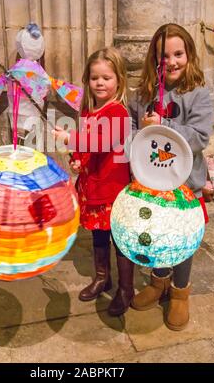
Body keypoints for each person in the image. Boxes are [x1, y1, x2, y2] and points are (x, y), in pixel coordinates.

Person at [129, 23, 214, 330]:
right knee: (157, 236)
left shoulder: (199, 94)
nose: (173, 61)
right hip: (151, 182)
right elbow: (132, 133)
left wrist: (164, 125)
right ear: (155, 59)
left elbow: (200, 137)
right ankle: (158, 281)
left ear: (189, 54)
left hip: (184, 182)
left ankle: (180, 293)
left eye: (179, 54)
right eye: (165, 56)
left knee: (181, 239)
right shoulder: (142, 95)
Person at [53, 47, 134, 316]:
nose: (99, 83)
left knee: (120, 240)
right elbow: (87, 149)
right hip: (92, 186)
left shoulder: (118, 113)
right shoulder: (88, 111)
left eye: (106, 78)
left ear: (119, 80)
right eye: (94, 77)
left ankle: (125, 289)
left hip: (113, 188)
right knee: (98, 234)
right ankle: (102, 278)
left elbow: (101, 143)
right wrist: (78, 159)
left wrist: (69, 138)